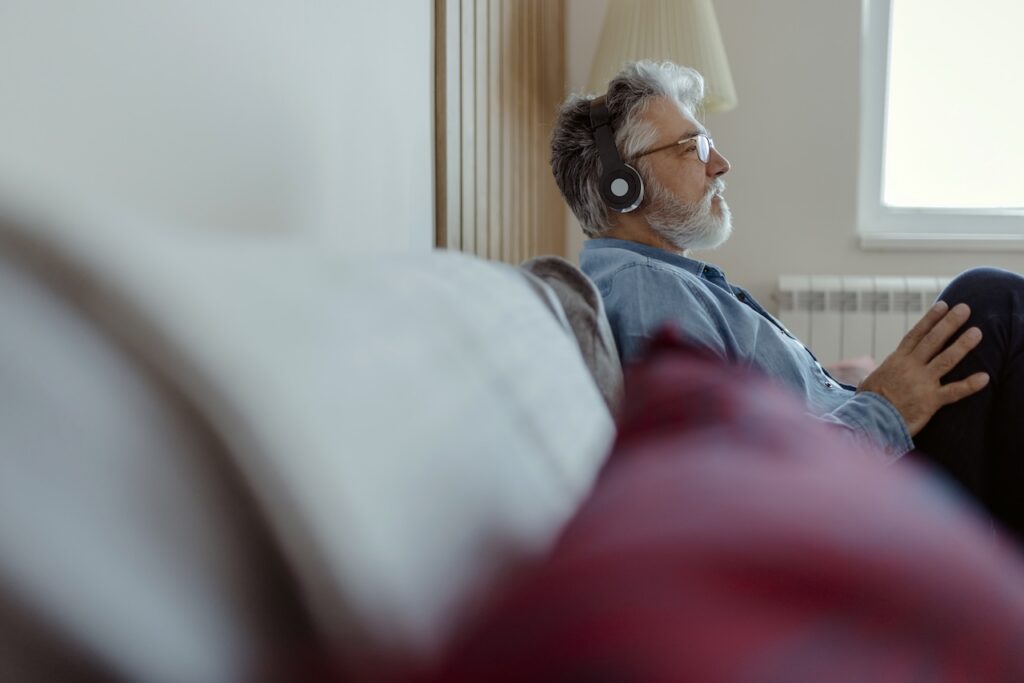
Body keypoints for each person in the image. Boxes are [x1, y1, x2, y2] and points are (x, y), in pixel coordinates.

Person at [550, 60, 1024, 539]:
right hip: (854, 502)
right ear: (622, 186)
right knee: (989, 303)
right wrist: (885, 405)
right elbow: (734, 486)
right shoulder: (644, 290)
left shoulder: (660, 280)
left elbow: (739, 407)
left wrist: (832, 383)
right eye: (692, 146)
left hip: (855, 465)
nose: (719, 163)